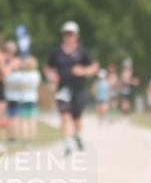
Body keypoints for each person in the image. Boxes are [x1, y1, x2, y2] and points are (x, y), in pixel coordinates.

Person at [45, 21, 98, 155]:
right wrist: (51, 75)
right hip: (63, 89)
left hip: (79, 89)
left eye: (71, 34)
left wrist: (84, 71)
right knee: (64, 116)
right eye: (66, 34)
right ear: (63, 35)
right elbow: (48, 68)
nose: (69, 36)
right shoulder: (56, 52)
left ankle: (77, 136)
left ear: (76, 35)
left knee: (77, 118)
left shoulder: (82, 52)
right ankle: (67, 144)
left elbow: (94, 66)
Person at [17, 55, 41, 141]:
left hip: (23, 98)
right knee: (32, 118)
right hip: (33, 98)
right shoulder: (36, 74)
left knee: (24, 119)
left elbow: (21, 86)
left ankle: (25, 136)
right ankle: (32, 136)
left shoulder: (23, 75)